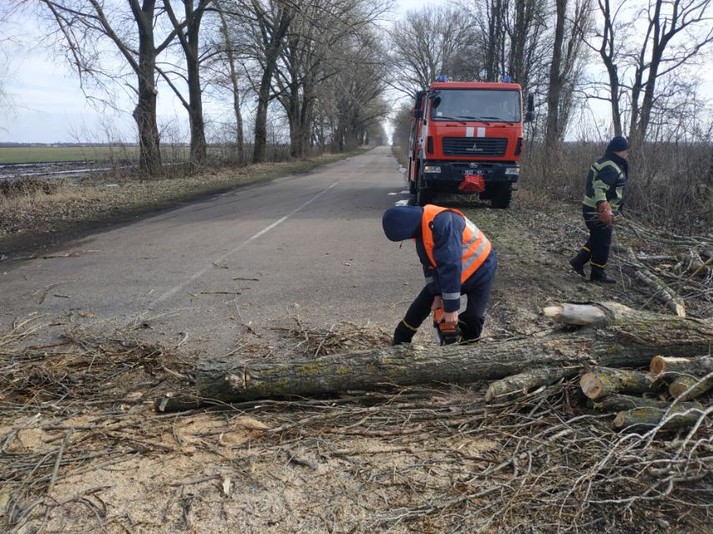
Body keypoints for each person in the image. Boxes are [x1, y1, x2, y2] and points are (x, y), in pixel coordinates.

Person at [382, 204, 497, 345]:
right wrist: (436, 294)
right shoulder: (421, 229)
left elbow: (450, 265)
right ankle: (401, 338)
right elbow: (429, 266)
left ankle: (469, 347)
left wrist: (451, 309)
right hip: (454, 272)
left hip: (482, 268)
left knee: (474, 317)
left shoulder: (444, 222)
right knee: (422, 304)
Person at [569, 135, 630, 284]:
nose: (627, 153)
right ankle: (597, 273)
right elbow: (599, 187)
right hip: (596, 211)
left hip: (590, 207)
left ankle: (578, 261)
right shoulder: (611, 167)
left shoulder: (606, 161)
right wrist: (603, 207)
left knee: (596, 238)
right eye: (625, 150)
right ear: (618, 150)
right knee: (603, 243)